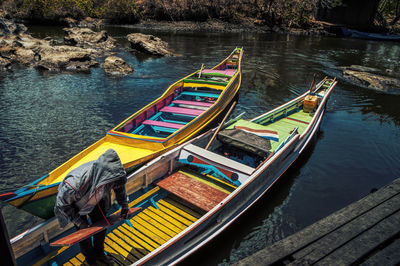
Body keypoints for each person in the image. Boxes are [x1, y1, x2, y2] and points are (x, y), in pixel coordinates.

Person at [54, 149, 129, 266]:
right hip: (76, 204)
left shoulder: (113, 173)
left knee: (101, 225)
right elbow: (62, 204)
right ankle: (91, 260)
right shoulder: (74, 184)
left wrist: (124, 205)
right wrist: (78, 221)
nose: (113, 184)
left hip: (97, 196)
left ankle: (99, 253)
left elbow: (119, 187)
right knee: (84, 234)